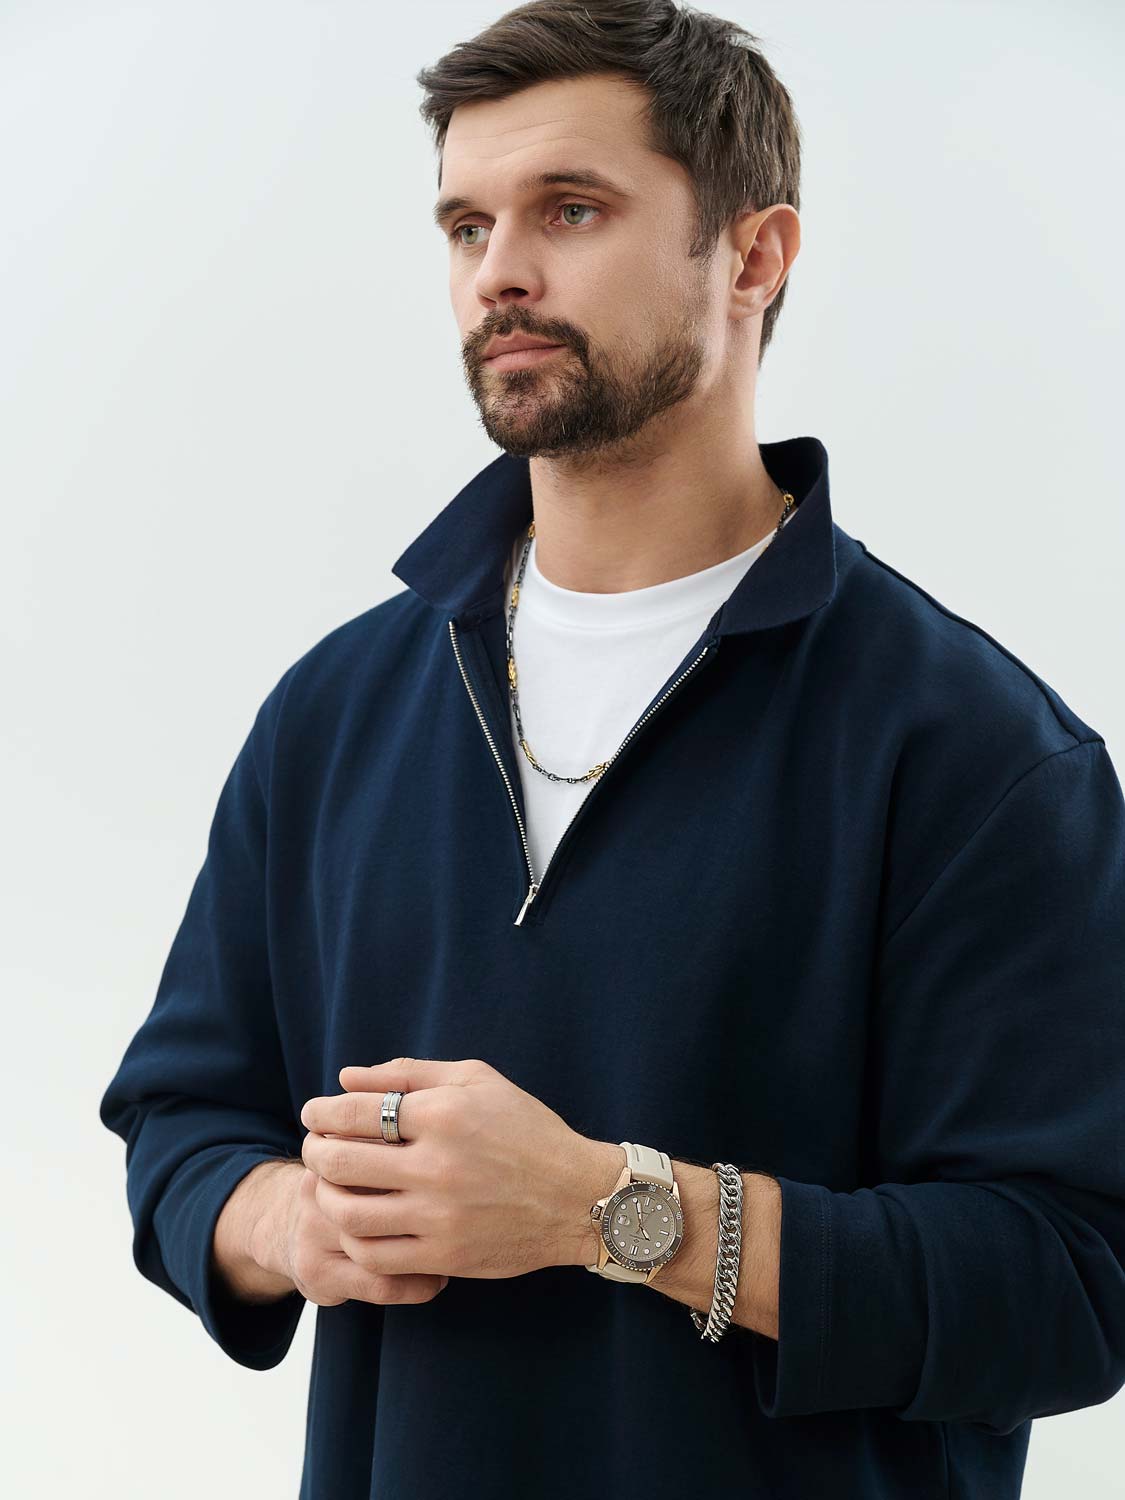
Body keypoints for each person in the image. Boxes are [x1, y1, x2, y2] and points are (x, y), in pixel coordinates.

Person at [98, 3, 1125, 1497]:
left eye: (569, 210)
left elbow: (1070, 1281)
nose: (499, 271)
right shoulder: (333, 711)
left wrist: (606, 1210)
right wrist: (291, 1224)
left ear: (753, 258)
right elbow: (182, 1117)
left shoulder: (973, 751)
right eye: (467, 226)